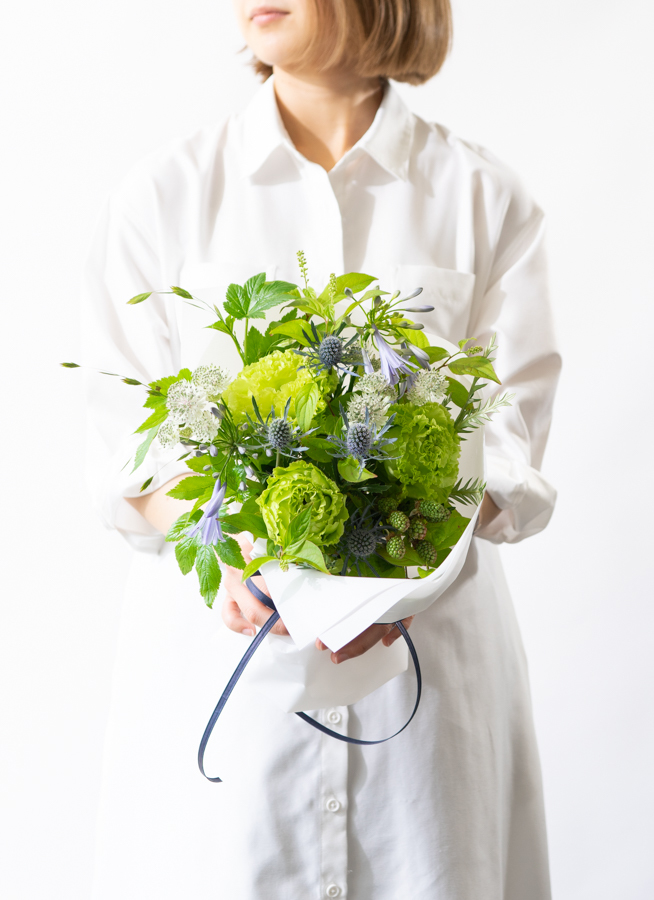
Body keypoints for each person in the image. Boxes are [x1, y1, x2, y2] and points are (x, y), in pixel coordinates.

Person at [84, 1, 561, 897]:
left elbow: (511, 441)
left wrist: (407, 569)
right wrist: (227, 542)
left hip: (424, 687)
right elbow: (127, 444)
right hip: (226, 675)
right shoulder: (166, 193)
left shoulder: (481, 196)